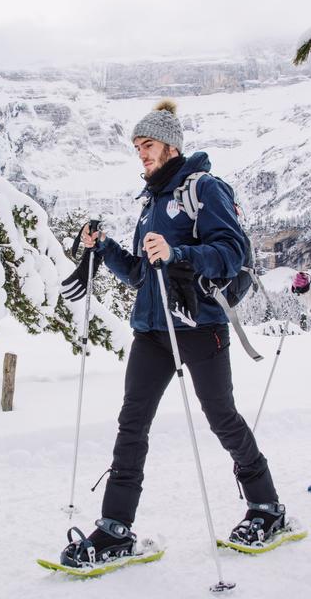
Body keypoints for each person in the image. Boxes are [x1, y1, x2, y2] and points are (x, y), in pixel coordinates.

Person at [60, 99, 285, 567]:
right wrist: (104, 248)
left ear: (171, 145)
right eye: (137, 147)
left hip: (201, 327)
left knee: (221, 417)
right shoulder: (153, 201)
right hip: (153, 329)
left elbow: (231, 251)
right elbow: (145, 275)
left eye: (147, 146)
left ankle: (266, 506)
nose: (141, 154)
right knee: (132, 422)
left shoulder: (202, 188)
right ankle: (115, 529)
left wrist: (179, 252)